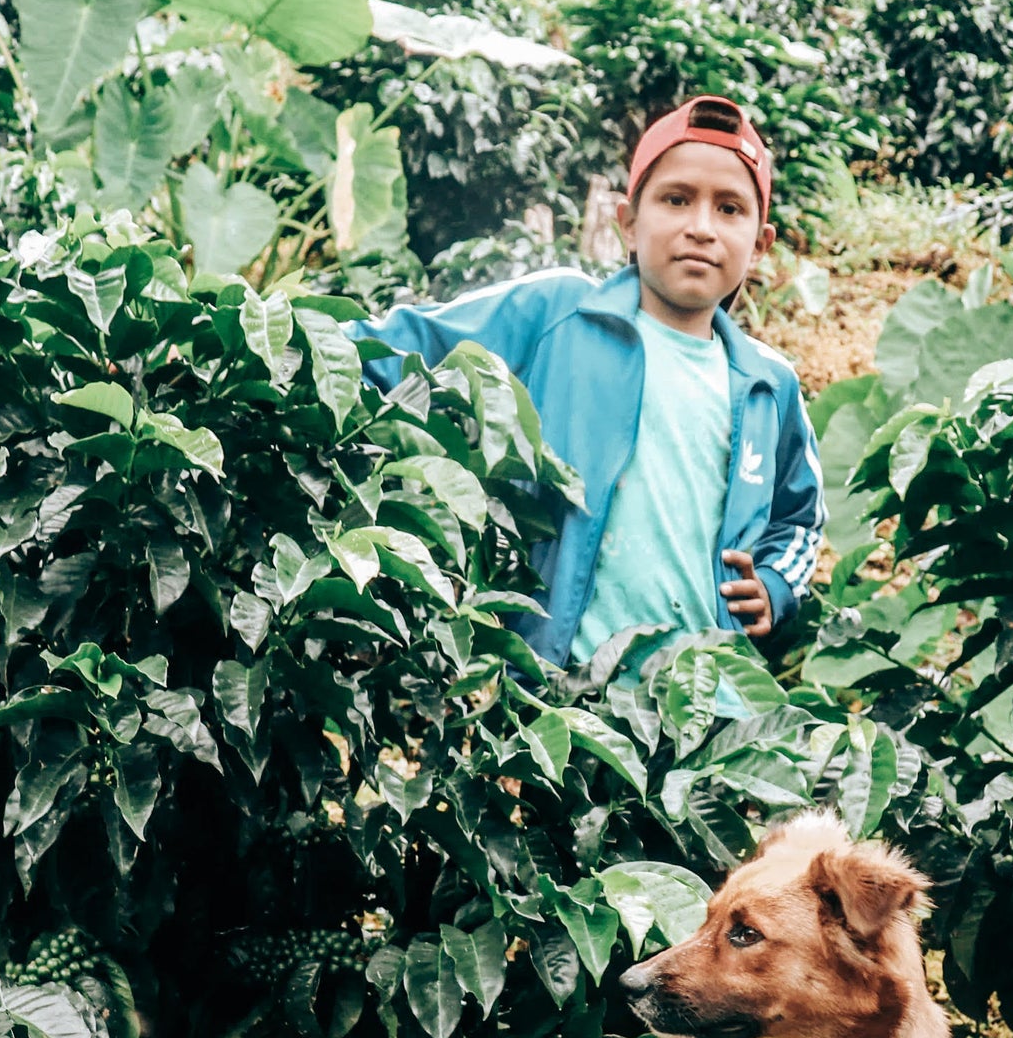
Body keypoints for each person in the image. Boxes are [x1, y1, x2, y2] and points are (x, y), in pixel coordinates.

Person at [352, 95, 825, 672]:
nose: (701, 227)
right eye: (676, 200)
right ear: (628, 222)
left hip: (706, 703)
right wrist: (277, 340)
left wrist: (775, 584)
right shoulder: (558, 313)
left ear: (759, 244)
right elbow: (402, 347)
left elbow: (800, 515)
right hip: (558, 687)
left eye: (729, 209)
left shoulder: (767, 385)